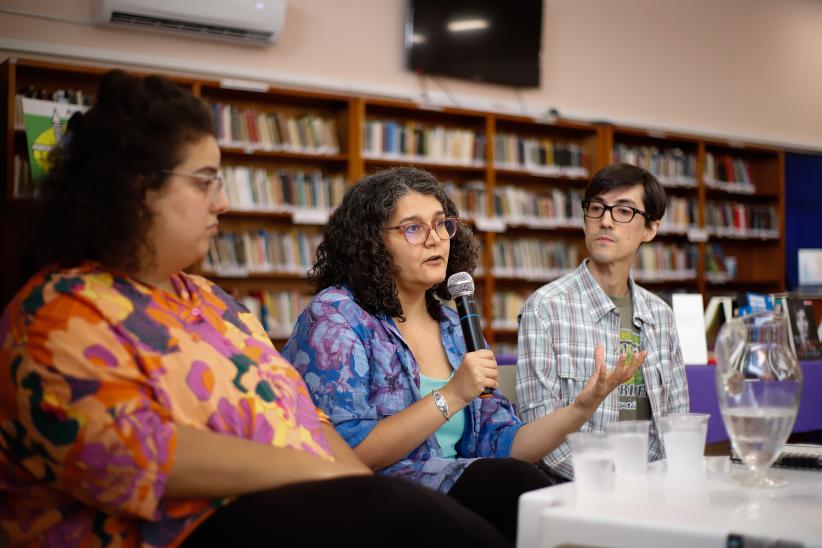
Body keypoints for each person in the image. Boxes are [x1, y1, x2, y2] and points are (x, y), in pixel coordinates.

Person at [0, 71, 512, 547]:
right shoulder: (58, 314)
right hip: (186, 531)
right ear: (136, 190)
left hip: (289, 503)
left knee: (444, 514)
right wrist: (333, 480)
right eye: (205, 181)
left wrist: (356, 485)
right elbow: (144, 455)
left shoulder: (213, 302)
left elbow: (311, 420)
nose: (222, 202)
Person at [282, 167, 643, 543]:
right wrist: (452, 394)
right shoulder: (337, 316)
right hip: (375, 499)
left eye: (442, 224)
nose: (435, 240)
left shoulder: (455, 325)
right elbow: (348, 451)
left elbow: (503, 442)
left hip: (460, 491)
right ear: (371, 242)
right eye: (413, 228)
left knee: (535, 494)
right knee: (507, 488)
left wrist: (581, 408)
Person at [516, 162, 690, 481]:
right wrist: (612, 481)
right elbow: (540, 434)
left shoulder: (660, 316)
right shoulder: (546, 308)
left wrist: (649, 481)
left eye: (623, 211)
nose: (606, 221)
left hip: (651, 486)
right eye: (596, 208)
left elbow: (676, 422)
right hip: (574, 486)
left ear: (650, 229)